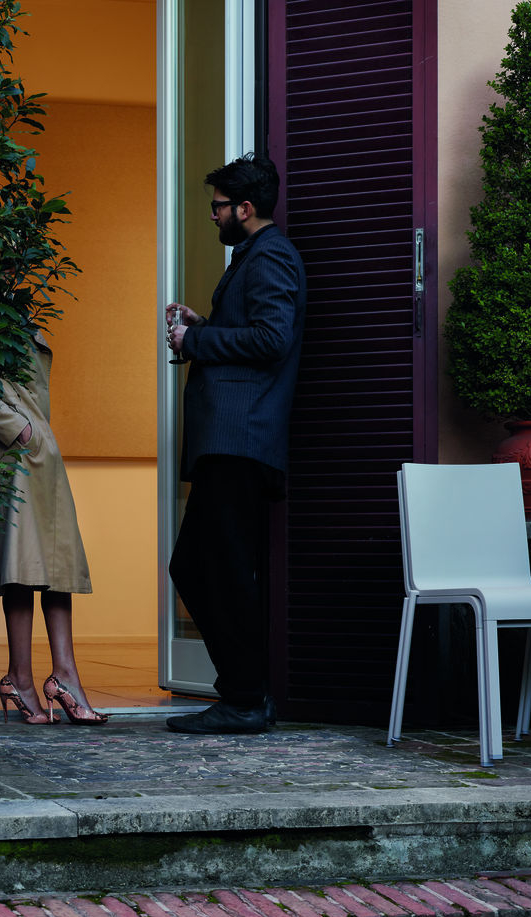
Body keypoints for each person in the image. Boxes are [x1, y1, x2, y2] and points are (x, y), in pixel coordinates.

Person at [162, 153, 306, 735]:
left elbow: (272, 338)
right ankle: (244, 694)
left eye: (218, 206)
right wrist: (203, 327)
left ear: (245, 208)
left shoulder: (271, 256)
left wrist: (194, 341)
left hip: (239, 439)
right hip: (232, 441)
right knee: (203, 566)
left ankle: (246, 697)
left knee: (212, 568)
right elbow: (253, 332)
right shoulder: (256, 255)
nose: (213, 216)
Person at [0, 332, 106, 726]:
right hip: (13, 450)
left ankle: (60, 675)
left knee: (53, 560)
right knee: (23, 560)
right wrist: (18, 429)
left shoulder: (18, 309)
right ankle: (23, 677)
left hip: (36, 446)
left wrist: (32, 434)